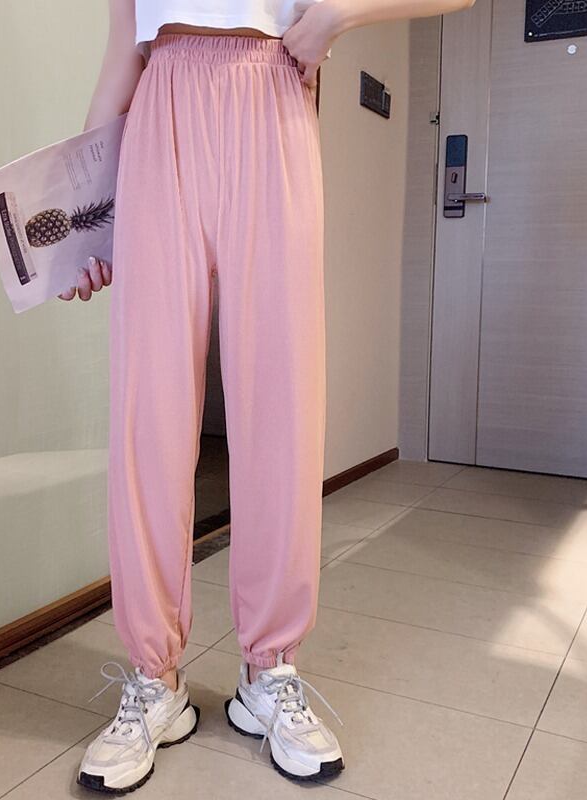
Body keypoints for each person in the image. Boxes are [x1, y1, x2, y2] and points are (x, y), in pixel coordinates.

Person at [59, 0, 475, 793]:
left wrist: (341, 14)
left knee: (281, 410)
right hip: (159, 112)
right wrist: (84, 221)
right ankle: (154, 678)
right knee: (147, 413)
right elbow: (122, 54)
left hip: (272, 99)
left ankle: (270, 669)